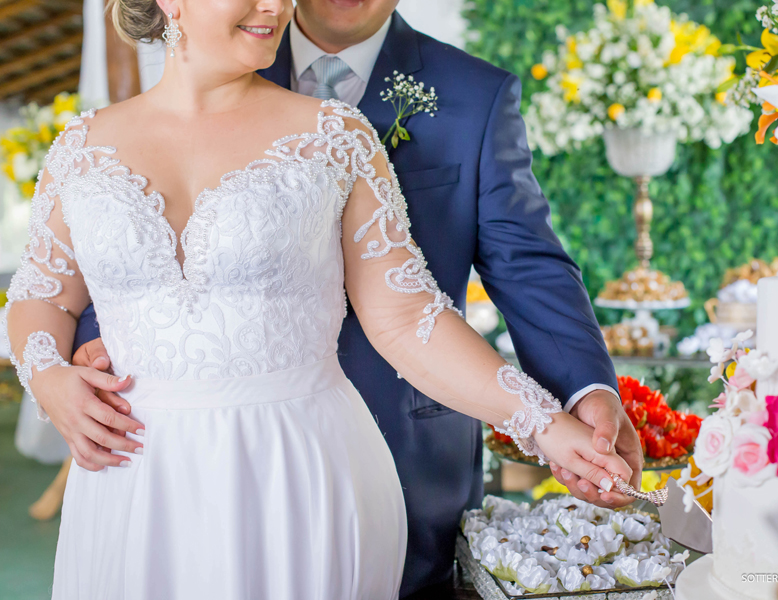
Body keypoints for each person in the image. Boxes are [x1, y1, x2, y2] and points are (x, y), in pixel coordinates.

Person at [18, 1, 642, 599]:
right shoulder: (82, 147)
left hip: (297, 471)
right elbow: (41, 299)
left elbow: (408, 318)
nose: (275, 6)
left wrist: (549, 427)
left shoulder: (336, 137)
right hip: (133, 482)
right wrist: (48, 377)